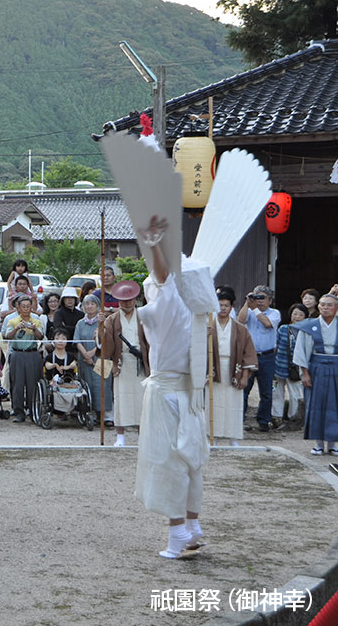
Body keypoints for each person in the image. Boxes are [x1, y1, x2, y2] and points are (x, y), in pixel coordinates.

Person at [133, 216, 214, 559]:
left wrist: (154, 242)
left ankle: (178, 531)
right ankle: (192, 526)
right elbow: (165, 279)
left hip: (167, 393)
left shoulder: (172, 307)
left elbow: (163, 278)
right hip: (191, 394)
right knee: (192, 460)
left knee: (169, 462)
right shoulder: (199, 314)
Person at [101, 280, 149, 446]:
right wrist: (102, 328)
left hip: (142, 361)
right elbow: (105, 344)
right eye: (123, 300)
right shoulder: (112, 319)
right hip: (121, 362)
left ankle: (143, 434)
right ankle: (120, 435)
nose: (126, 303)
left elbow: (152, 340)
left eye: (129, 300)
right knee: (121, 398)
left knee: (143, 399)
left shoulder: (144, 316)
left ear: (135, 300)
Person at [206, 287, 257, 447]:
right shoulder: (208, 327)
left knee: (233, 404)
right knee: (212, 403)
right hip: (214, 368)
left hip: (234, 368)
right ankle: (212, 437)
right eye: (220, 305)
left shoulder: (240, 329)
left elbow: (248, 353)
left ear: (231, 307)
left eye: (226, 305)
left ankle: (233, 437)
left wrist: (244, 376)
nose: (223, 308)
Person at [292, 293, 338, 456]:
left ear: (336, 308)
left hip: (336, 367)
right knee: (316, 404)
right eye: (322, 304)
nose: (325, 307)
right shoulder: (308, 326)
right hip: (315, 368)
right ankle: (318, 443)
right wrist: (305, 373)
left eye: (329, 305)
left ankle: (333, 443)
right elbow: (301, 350)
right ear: (318, 306)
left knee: (335, 405)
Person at [238, 285, 281, 432]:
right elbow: (240, 320)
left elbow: (267, 323)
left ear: (270, 300)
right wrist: (247, 303)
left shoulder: (274, 313)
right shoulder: (249, 311)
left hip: (267, 356)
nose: (260, 301)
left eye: (263, 298)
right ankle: (240, 420)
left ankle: (263, 421)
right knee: (244, 388)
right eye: (257, 297)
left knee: (266, 391)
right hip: (249, 356)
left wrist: (255, 309)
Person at [4, 294, 44, 423]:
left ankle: (33, 411)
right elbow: (7, 336)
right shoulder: (13, 321)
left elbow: (41, 336)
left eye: (28, 306)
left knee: (33, 383)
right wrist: (16, 328)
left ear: (31, 307)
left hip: (32, 353)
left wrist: (34, 329)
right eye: (23, 306)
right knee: (17, 384)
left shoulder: (36, 320)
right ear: (18, 308)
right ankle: (18, 412)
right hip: (17, 353)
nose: (26, 309)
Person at [74, 294, 112, 425]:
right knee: (88, 385)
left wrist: (92, 352)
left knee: (103, 385)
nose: (89, 307)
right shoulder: (80, 323)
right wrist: (85, 354)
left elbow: (105, 339)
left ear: (97, 306)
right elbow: (77, 340)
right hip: (84, 359)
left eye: (92, 304)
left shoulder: (103, 321)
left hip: (102, 357)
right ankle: (93, 415)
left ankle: (107, 416)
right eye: (87, 304)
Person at [274, 303, 309, 428]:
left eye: (301, 314)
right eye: (295, 313)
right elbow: (276, 346)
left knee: (295, 394)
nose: (297, 316)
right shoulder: (283, 328)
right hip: (280, 364)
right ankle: (276, 417)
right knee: (277, 392)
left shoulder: (306, 332)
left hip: (296, 367)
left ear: (305, 317)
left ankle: (293, 418)